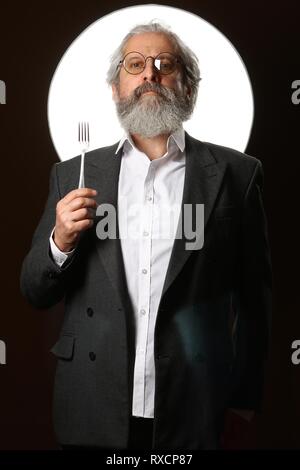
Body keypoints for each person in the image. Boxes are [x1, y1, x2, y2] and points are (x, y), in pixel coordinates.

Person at [20, 22, 272, 450]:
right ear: (116, 90)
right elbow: (34, 291)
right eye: (134, 65)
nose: (149, 74)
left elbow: (255, 302)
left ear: (188, 88)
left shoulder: (237, 175)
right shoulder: (73, 175)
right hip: (91, 405)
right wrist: (60, 242)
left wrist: (243, 400)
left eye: (164, 64)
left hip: (194, 405)